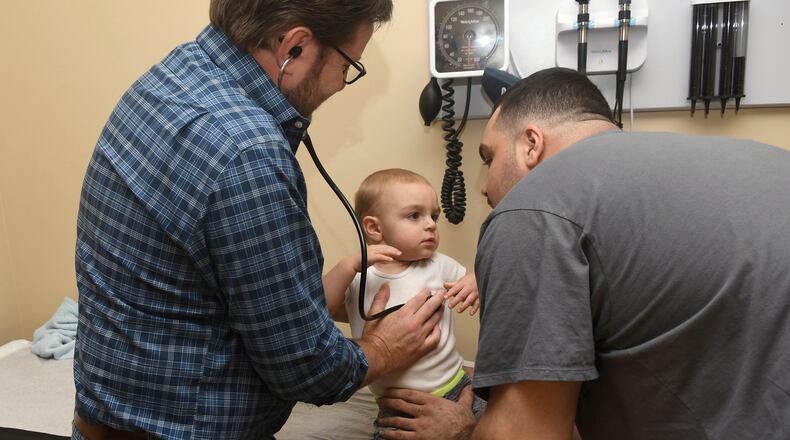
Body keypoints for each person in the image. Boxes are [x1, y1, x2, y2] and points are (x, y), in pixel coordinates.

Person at [72, 1, 447, 439]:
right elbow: (308, 370)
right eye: (348, 65)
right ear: (295, 47)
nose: (343, 85)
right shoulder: (246, 152)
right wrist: (383, 348)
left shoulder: (170, 76)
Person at [376, 67, 790, 440]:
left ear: (531, 145)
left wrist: (465, 431)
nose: (484, 187)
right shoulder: (766, 161)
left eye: (489, 157)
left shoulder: (534, 209)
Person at [321, 169, 486, 438]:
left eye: (434, 216)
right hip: (399, 405)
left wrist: (476, 279)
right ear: (374, 228)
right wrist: (346, 266)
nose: (431, 224)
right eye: (414, 216)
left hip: (457, 385)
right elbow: (321, 309)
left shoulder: (438, 265)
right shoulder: (361, 277)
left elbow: (484, 285)